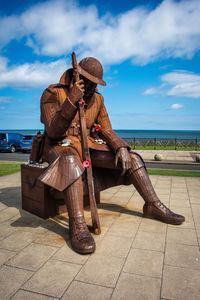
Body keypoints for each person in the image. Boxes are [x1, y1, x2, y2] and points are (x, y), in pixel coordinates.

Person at [40, 56, 185, 254]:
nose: (91, 88)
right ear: (76, 75)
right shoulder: (52, 92)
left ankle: (153, 206)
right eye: (88, 81)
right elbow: (54, 131)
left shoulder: (98, 99)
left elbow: (106, 129)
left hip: (86, 145)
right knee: (70, 160)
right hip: (58, 146)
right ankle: (78, 225)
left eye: (95, 83)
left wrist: (120, 147)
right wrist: (71, 100)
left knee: (132, 159)